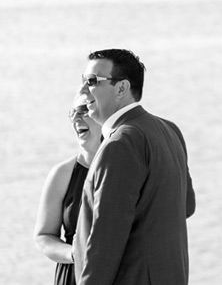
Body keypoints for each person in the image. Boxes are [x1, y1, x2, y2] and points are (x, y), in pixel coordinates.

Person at [73, 48, 196, 285]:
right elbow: (186, 206)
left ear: (121, 88)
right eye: (82, 82)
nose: (82, 91)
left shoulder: (120, 143)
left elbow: (106, 238)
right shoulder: (170, 129)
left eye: (91, 82)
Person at [34, 98, 103, 285]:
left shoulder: (126, 167)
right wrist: (75, 253)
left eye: (83, 111)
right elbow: (43, 236)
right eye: (73, 112)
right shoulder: (62, 174)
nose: (76, 119)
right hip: (74, 275)